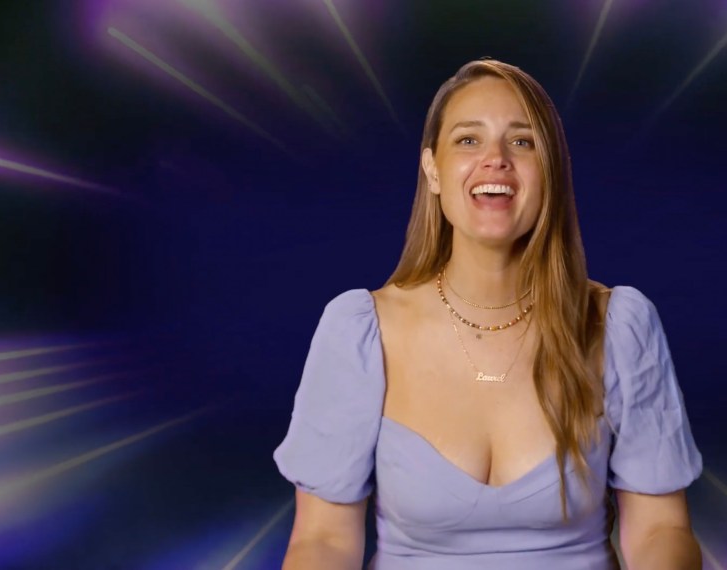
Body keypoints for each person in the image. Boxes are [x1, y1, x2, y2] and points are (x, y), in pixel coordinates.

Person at [273, 58, 703, 569]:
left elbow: (660, 530)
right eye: (468, 140)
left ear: (550, 171)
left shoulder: (619, 326)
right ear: (433, 170)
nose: (495, 160)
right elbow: (323, 540)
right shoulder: (359, 331)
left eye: (522, 142)